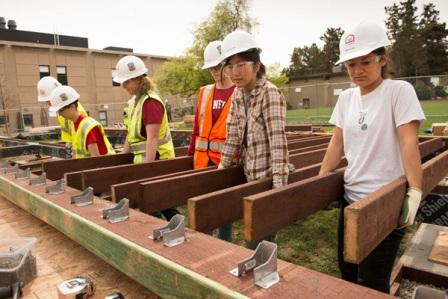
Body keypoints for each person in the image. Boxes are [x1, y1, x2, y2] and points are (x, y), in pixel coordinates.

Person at [318, 22, 425, 293]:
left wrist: (414, 190)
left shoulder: (398, 91)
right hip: (351, 199)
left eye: (365, 62)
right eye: (351, 65)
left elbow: (408, 141)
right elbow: (336, 143)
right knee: (348, 271)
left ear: (383, 59)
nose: (357, 71)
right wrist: (319, 182)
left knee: (373, 281)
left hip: (385, 201)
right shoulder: (346, 99)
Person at [218, 30, 292, 248]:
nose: (235, 72)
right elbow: (232, 134)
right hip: (249, 174)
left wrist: (278, 191)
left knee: (257, 243)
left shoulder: (269, 93)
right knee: (253, 236)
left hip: (268, 179)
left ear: (256, 66)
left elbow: (278, 143)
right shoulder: (237, 95)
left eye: (241, 65)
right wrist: (222, 168)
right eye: (230, 66)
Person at [113, 55, 179, 221]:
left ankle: (179, 229)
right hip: (144, 162)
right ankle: (178, 227)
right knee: (160, 203)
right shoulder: (136, 102)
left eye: (127, 81)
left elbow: (153, 138)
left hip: (156, 162)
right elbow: (131, 133)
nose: (123, 86)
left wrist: (147, 169)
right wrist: (123, 156)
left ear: (138, 79)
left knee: (154, 203)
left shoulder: (150, 102)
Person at [188, 40, 236, 241]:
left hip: (225, 163)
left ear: (227, 64)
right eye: (211, 68)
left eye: (218, 67)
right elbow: (197, 127)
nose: (215, 72)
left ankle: (225, 246)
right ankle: (204, 244)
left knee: (224, 210)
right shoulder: (205, 92)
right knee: (204, 209)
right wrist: (190, 154)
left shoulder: (239, 92)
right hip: (202, 162)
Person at [49, 85, 115, 158]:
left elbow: (96, 160)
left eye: (61, 110)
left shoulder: (88, 127)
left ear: (72, 106)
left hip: (104, 167)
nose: (60, 114)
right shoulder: (75, 126)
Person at [37, 76, 87, 143]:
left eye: (49, 100)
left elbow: (83, 138)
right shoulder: (62, 110)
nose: (48, 103)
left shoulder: (76, 113)